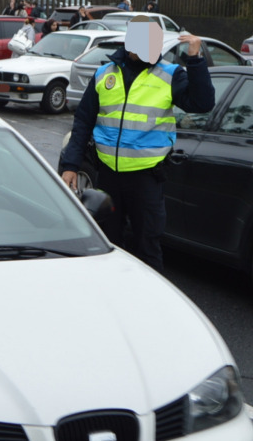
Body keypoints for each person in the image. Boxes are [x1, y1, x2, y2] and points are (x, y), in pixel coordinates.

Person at [59, 18, 216, 271]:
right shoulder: (104, 74)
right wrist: (70, 165)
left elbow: (203, 103)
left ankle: (148, 306)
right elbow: (83, 122)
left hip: (146, 179)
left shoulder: (169, 74)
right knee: (107, 246)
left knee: (148, 247)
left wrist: (195, 60)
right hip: (109, 176)